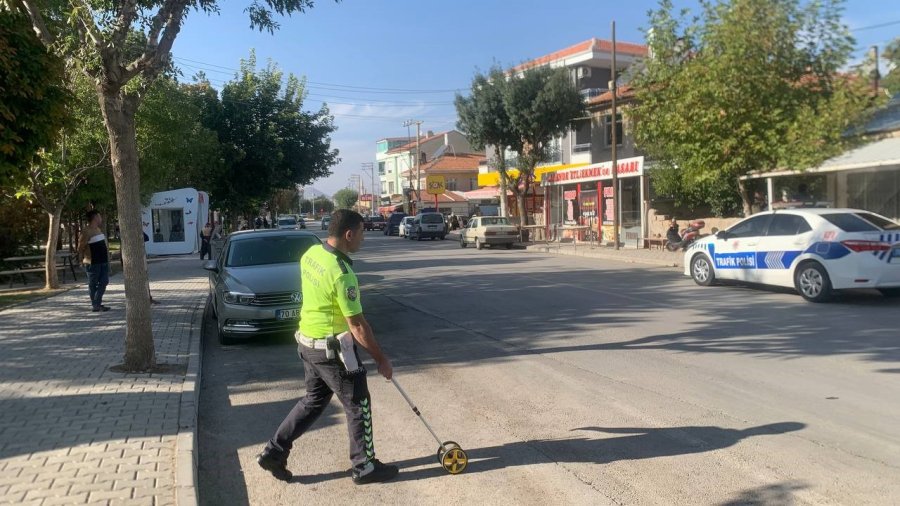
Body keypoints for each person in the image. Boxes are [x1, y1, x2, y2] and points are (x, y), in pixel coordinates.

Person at [257, 209, 398, 485]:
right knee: (358, 404)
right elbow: (357, 325)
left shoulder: (311, 254)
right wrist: (381, 359)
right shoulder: (342, 273)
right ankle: (364, 466)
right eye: (362, 233)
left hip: (307, 343)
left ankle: (274, 452)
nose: (363, 238)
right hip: (332, 350)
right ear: (349, 234)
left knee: (313, 401)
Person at [78, 210, 110, 312]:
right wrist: (80, 260)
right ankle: (96, 305)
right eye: (99, 216)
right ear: (95, 217)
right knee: (93, 284)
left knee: (104, 281)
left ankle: (96, 303)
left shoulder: (98, 230)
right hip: (92, 262)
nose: (101, 218)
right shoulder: (86, 231)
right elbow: (80, 247)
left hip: (103, 261)